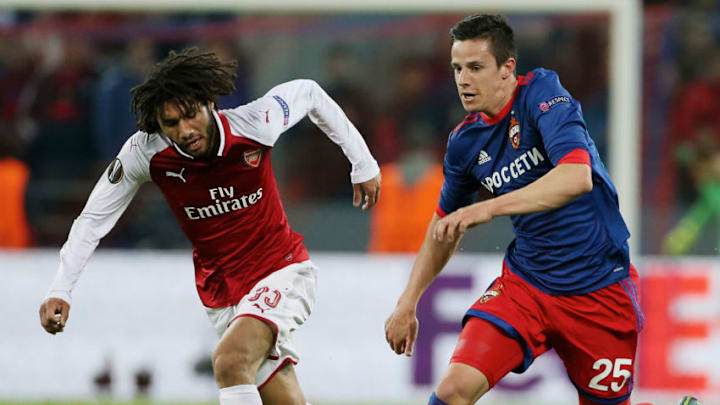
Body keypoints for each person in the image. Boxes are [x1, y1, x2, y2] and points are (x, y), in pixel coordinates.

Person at [38, 47, 381, 405]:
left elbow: (309, 92)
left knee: (229, 361)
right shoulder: (145, 152)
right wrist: (61, 287)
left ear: (208, 104)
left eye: (190, 115)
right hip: (222, 293)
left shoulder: (256, 122)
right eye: (171, 124)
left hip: (280, 270)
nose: (184, 131)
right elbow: (94, 217)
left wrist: (363, 163)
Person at [384, 14, 644, 405]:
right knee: (453, 391)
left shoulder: (543, 95)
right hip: (527, 287)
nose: (463, 79)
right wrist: (408, 302)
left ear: (507, 69)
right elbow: (443, 225)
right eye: (457, 68)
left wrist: (487, 210)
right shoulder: (464, 144)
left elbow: (576, 177)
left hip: (599, 291)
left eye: (475, 67)